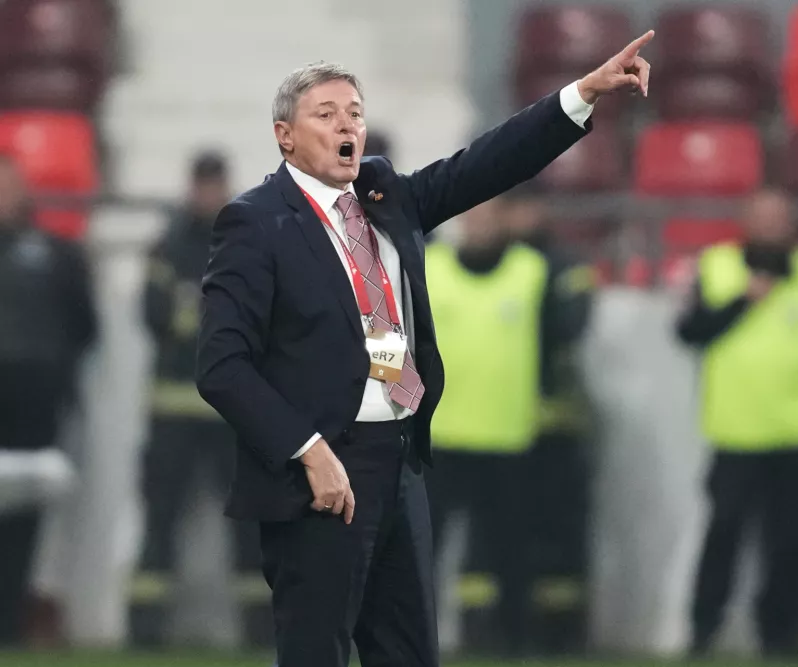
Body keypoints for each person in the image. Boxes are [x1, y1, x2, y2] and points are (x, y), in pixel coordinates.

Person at [195, 33, 653, 667]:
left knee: (410, 655)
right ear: (285, 136)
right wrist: (307, 450)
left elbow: (488, 164)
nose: (346, 124)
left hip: (400, 461)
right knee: (314, 653)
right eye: (325, 114)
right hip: (323, 470)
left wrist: (582, 93)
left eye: (354, 111)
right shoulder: (255, 221)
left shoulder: (386, 202)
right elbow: (221, 366)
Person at [675, 187, 798, 659]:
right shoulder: (717, 267)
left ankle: (782, 637)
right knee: (722, 537)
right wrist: (741, 302)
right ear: (745, 220)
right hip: (736, 433)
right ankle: (703, 630)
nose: (771, 227)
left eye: (779, 218)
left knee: (790, 546)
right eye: (762, 217)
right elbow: (690, 332)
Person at [424, 190, 579, 656]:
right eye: (470, 216)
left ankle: (514, 640)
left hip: (508, 437)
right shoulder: (428, 265)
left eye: (488, 216)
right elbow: (392, 335)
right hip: (438, 438)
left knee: (511, 551)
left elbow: (561, 338)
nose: (479, 225)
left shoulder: (533, 272)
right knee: (417, 552)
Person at [136, 151, 259, 645]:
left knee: (251, 525)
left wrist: (198, 316)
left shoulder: (249, 243)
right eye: (202, 184)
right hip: (173, 411)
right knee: (158, 521)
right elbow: (152, 316)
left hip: (233, 413)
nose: (208, 194)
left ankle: (260, 634)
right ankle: (142, 632)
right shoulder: (167, 247)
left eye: (215, 184)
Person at [0, 154, 96, 645]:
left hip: (36, 401)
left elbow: (82, 326)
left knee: (24, 513)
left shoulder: (57, 254)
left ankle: (12, 621)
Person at [505, 183, 596, 652]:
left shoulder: (563, 265)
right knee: (505, 536)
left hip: (555, 425)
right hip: (497, 427)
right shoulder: (483, 266)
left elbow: (571, 326)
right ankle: (505, 632)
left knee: (558, 537)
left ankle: (561, 636)